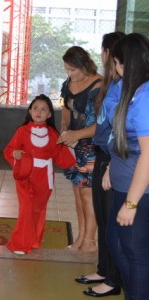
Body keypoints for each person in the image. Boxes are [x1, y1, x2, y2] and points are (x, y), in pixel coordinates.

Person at [74, 32, 124, 297]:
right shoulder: (112, 84)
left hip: (111, 157)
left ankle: (114, 280)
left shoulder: (123, 85)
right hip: (102, 153)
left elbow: (117, 128)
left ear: (108, 53)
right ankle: (104, 269)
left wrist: (108, 165)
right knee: (104, 218)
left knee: (112, 222)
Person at [105, 33, 149, 300]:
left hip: (139, 192)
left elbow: (148, 154)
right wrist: (112, 165)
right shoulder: (133, 91)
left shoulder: (145, 96)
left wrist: (131, 204)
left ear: (125, 63)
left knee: (135, 255)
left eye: (117, 63)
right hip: (124, 182)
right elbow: (123, 138)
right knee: (116, 244)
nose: (115, 69)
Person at [3, 94, 76, 255]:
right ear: (29, 111)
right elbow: (8, 150)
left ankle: (34, 240)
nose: (38, 112)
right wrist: (15, 153)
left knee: (38, 209)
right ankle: (20, 243)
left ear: (49, 114)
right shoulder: (22, 131)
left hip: (45, 177)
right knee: (26, 208)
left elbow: (61, 156)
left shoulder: (53, 135)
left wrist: (76, 160)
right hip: (26, 175)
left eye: (43, 109)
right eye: (35, 108)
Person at [57, 46, 102, 252]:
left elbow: (101, 124)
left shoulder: (99, 85)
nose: (69, 74)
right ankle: (80, 237)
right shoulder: (69, 83)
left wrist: (76, 135)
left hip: (91, 146)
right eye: (67, 70)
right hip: (74, 145)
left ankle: (90, 242)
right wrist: (65, 128)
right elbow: (66, 108)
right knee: (77, 192)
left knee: (87, 194)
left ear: (84, 65)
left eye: (73, 70)